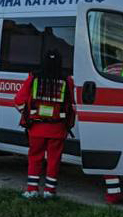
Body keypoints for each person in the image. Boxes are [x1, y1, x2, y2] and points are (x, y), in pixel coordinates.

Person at [13, 49, 76, 198]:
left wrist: (27, 114)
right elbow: (71, 104)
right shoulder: (68, 80)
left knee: (35, 157)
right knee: (54, 159)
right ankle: (50, 191)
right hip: (58, 128)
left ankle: (32, 190)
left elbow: (18, 101)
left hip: (36, 128)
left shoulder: (33, 78)